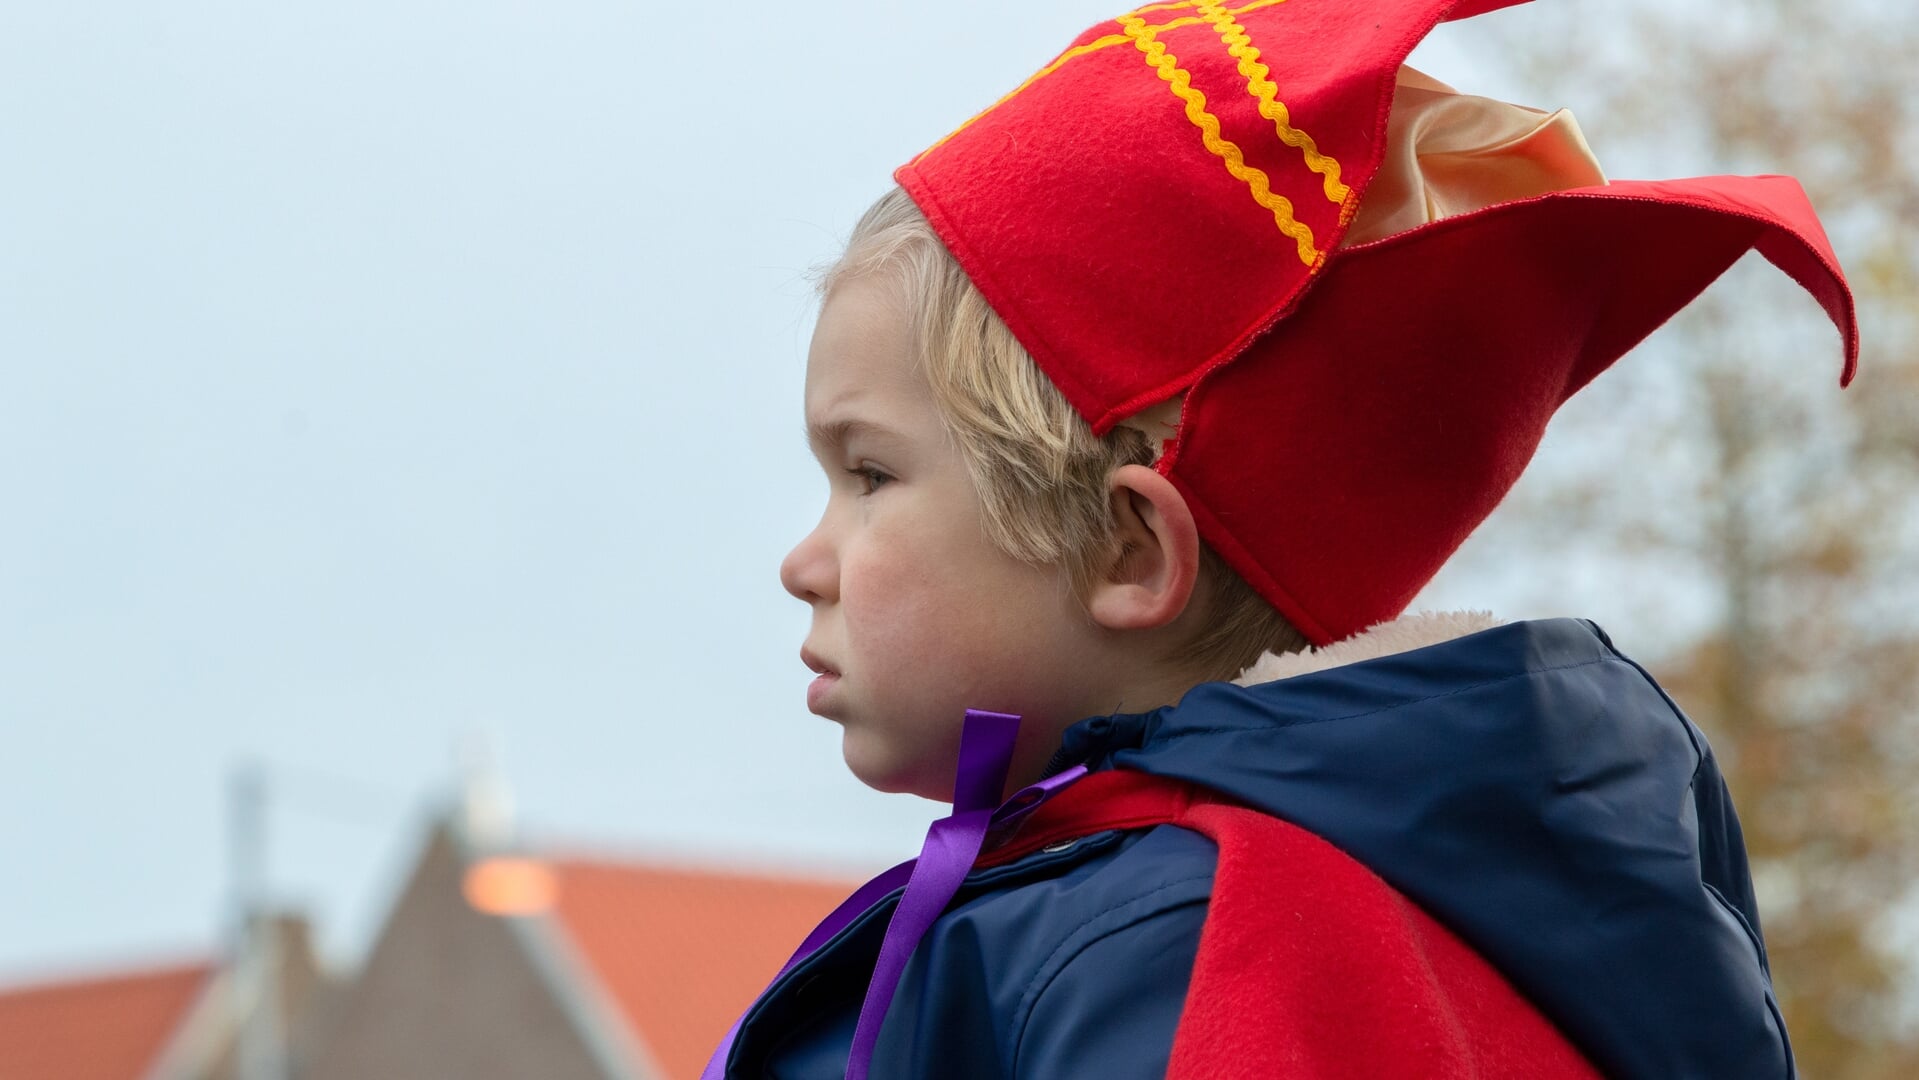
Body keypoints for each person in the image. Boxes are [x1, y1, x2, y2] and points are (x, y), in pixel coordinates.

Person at [707, 1, 1858, 1076]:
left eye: (869, 475)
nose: (802, 564)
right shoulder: (1279, 907)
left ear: (1126, 550)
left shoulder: (1178, 953)